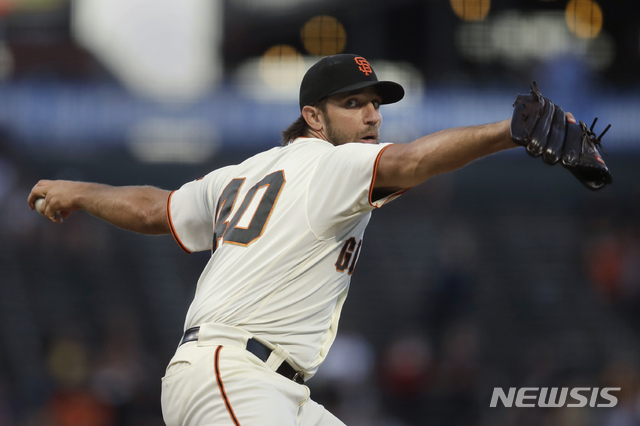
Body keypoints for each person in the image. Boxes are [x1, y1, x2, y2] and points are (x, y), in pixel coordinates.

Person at [28, 53, 576, 425]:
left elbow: (156, 209)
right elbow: (410, 161)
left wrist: (80, 191)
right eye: (352, 103)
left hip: (270, 386)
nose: (371, 116)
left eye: (375, 104)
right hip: (235, 375)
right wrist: (510, 132)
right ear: (313, 116)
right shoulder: (332, 166)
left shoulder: (245, 172)